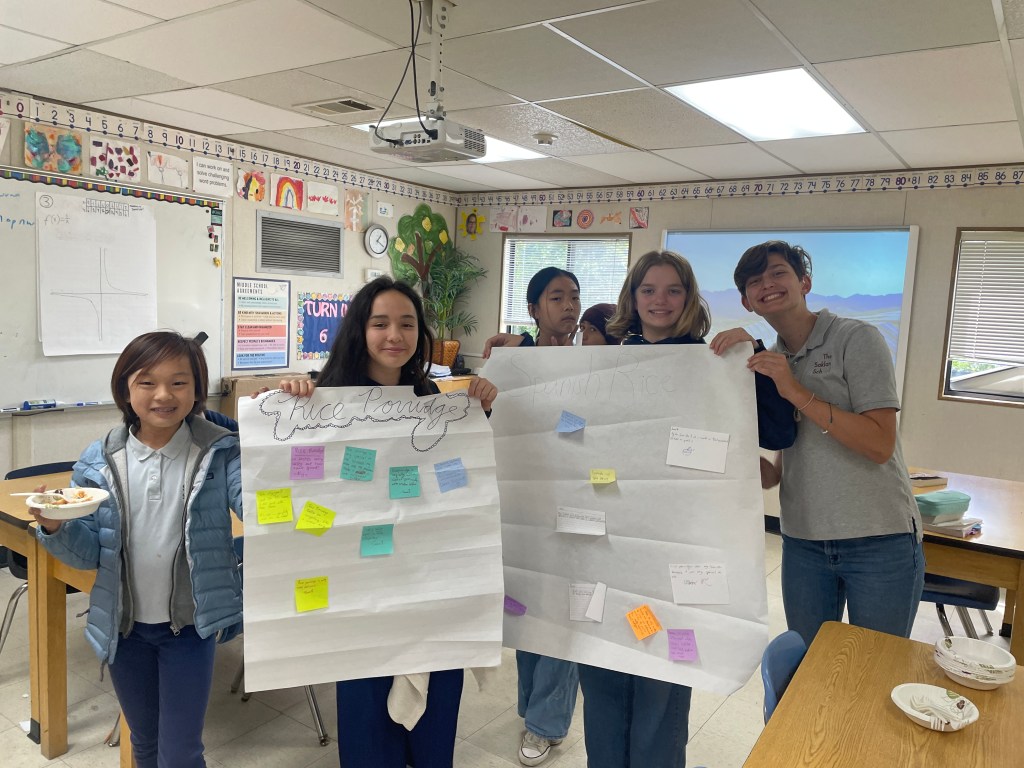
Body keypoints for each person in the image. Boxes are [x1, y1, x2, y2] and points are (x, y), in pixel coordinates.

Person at [269, 276, 497, 768]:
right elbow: (300, 485)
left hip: (428, 588)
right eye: (380, 323)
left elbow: (460, 484)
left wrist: (480, 411)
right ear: (360, 329)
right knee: (369, 730)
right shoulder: (325, 402)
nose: (395, 335)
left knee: (434, 730)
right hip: (361, 596)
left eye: (407, 324)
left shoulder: (432, 398)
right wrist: (292, 395)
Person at [31, 331, 243, 768]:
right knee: (144, 743)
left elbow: (261, 506)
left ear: (197, 390)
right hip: (124, 628)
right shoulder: (99, 459)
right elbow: (88, 554)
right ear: (126, 389)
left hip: (189, 629)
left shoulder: (220, 452)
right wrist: (55, 526)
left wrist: (282, 421)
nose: (163, 395)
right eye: (147, 382)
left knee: (180, 753)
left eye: (179, 382)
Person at [709, 240, 924, 647]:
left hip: (879, 539)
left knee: (874, 668)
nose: (767, 284)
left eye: (778, 273)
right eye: (755, 281)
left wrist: (794, 390)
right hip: (804, 542)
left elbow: (880, 444)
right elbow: (775, 473)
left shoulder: (856, 338)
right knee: (810, 670)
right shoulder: (768, 362)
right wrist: (720, 442)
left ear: (804, 282)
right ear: (747, 302)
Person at [483, 267, 581, 357]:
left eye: (575, 298)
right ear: (534, 310)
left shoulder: (586, 356)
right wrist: (524, 344)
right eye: (556, 298)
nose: (569, 306)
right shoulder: (517, 356)